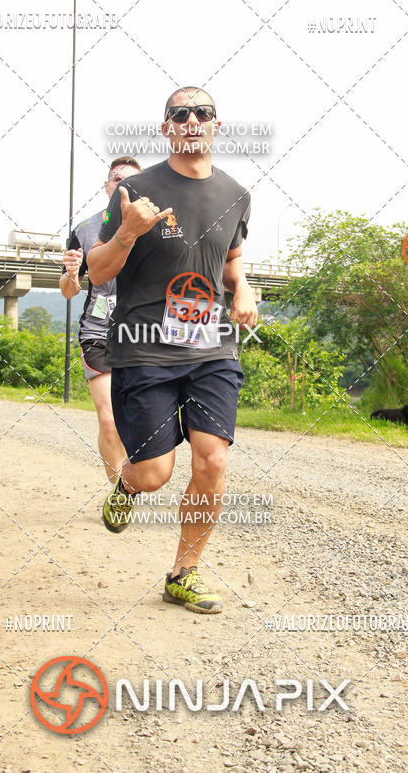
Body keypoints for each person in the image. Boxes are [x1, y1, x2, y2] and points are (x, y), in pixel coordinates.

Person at [87, 88, 257, 614]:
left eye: (200, 113)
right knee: (153, 474)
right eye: (179, 114)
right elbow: (97, 270)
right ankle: (127, 486)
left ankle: (185, 573)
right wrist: (127, 234)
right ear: (166, 127)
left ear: (216, 125)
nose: (190, 120)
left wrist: (244, 290)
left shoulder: (236, 193)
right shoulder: (137, 190)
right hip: (145, 348)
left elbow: (231, 262)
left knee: (213, 458)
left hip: (210, 347)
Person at [60, 156, 141, 483]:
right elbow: (68, 291)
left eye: (132, 182)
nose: (123, 186)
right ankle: (120, 488)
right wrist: (69, 274)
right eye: (117, 179)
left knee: (135, 419)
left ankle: (134, 474)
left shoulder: (158, 227)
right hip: (98, 332)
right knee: (108, 419)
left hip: (143, 334)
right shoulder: (85, 229)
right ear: (106, 185)